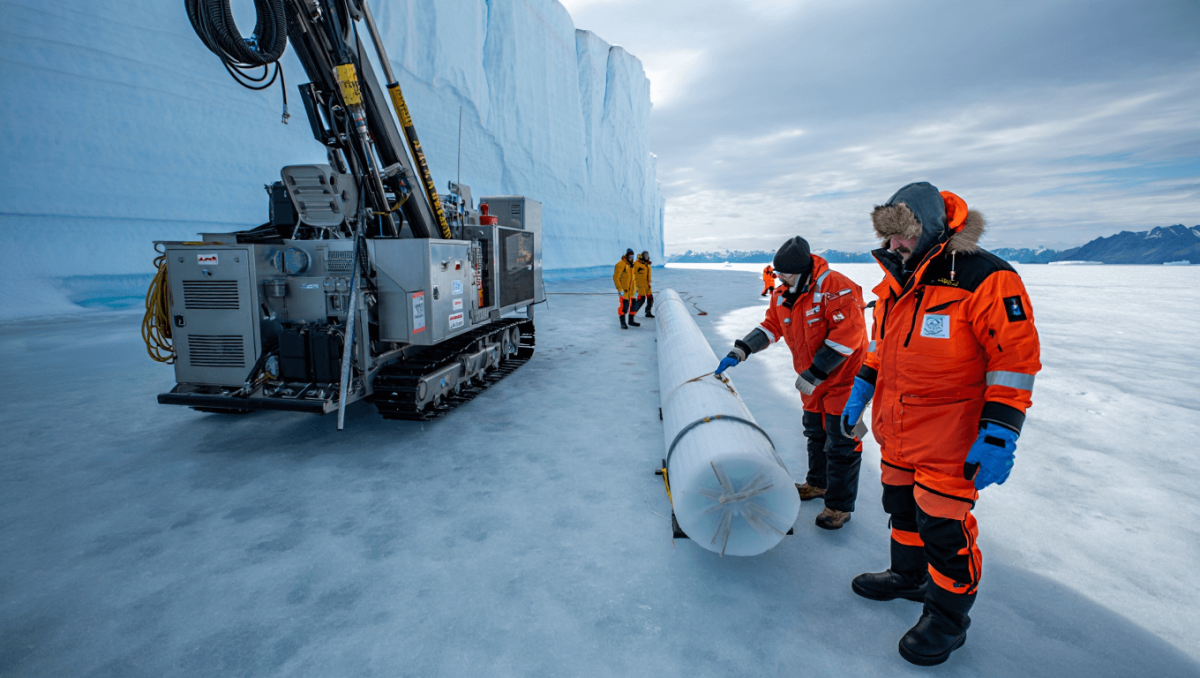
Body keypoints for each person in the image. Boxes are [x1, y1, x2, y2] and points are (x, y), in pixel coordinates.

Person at [843, 182, 1041, 666]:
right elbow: (880, 349)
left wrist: (999, 432)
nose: (895, 246)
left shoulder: (985, 277)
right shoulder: (895, 281)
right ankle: (908, 578)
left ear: (931, 229)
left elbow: (1014, 361)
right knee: (902, 511)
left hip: (951, 439)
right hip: (898, 432)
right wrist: (861, 390)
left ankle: (948, 619)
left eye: (904, 235)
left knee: (945, 531)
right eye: (889, 236)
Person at [714, 236, 868, 529]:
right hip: (812, 380)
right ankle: (818, 484)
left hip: (846, 380)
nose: (780, 279)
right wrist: (742, 349)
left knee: (844, 440)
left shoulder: (836, 287)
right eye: (778, 273)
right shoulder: (783, 293)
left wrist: (816, 373)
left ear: (804, 270)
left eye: (786, 274)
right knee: (815, 432)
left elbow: (848, 336)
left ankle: (838, 507)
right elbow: (771, 325)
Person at [613, 248, 639, 329]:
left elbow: (634, 279)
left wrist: (636, 289)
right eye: (630, 255)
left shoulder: (632, 266)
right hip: (624, 291)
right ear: (627, 255)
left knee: (634, 306)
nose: (631, 257)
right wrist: (620, 289)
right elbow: (616, 277)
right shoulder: (621, 264)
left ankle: (631, 321)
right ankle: (623, 323)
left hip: (632, 291)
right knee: (624, 307)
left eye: (632, 256)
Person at [632, 251, 655, 319]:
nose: (647, 256)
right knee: (641, 299)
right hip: (640, 286)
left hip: (647, 286)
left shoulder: (647, 265)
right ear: (642, 256)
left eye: (647, 255)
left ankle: (648, 312)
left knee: (650, 299)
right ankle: (632, 312)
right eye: (645, 255)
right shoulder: (637, 264)